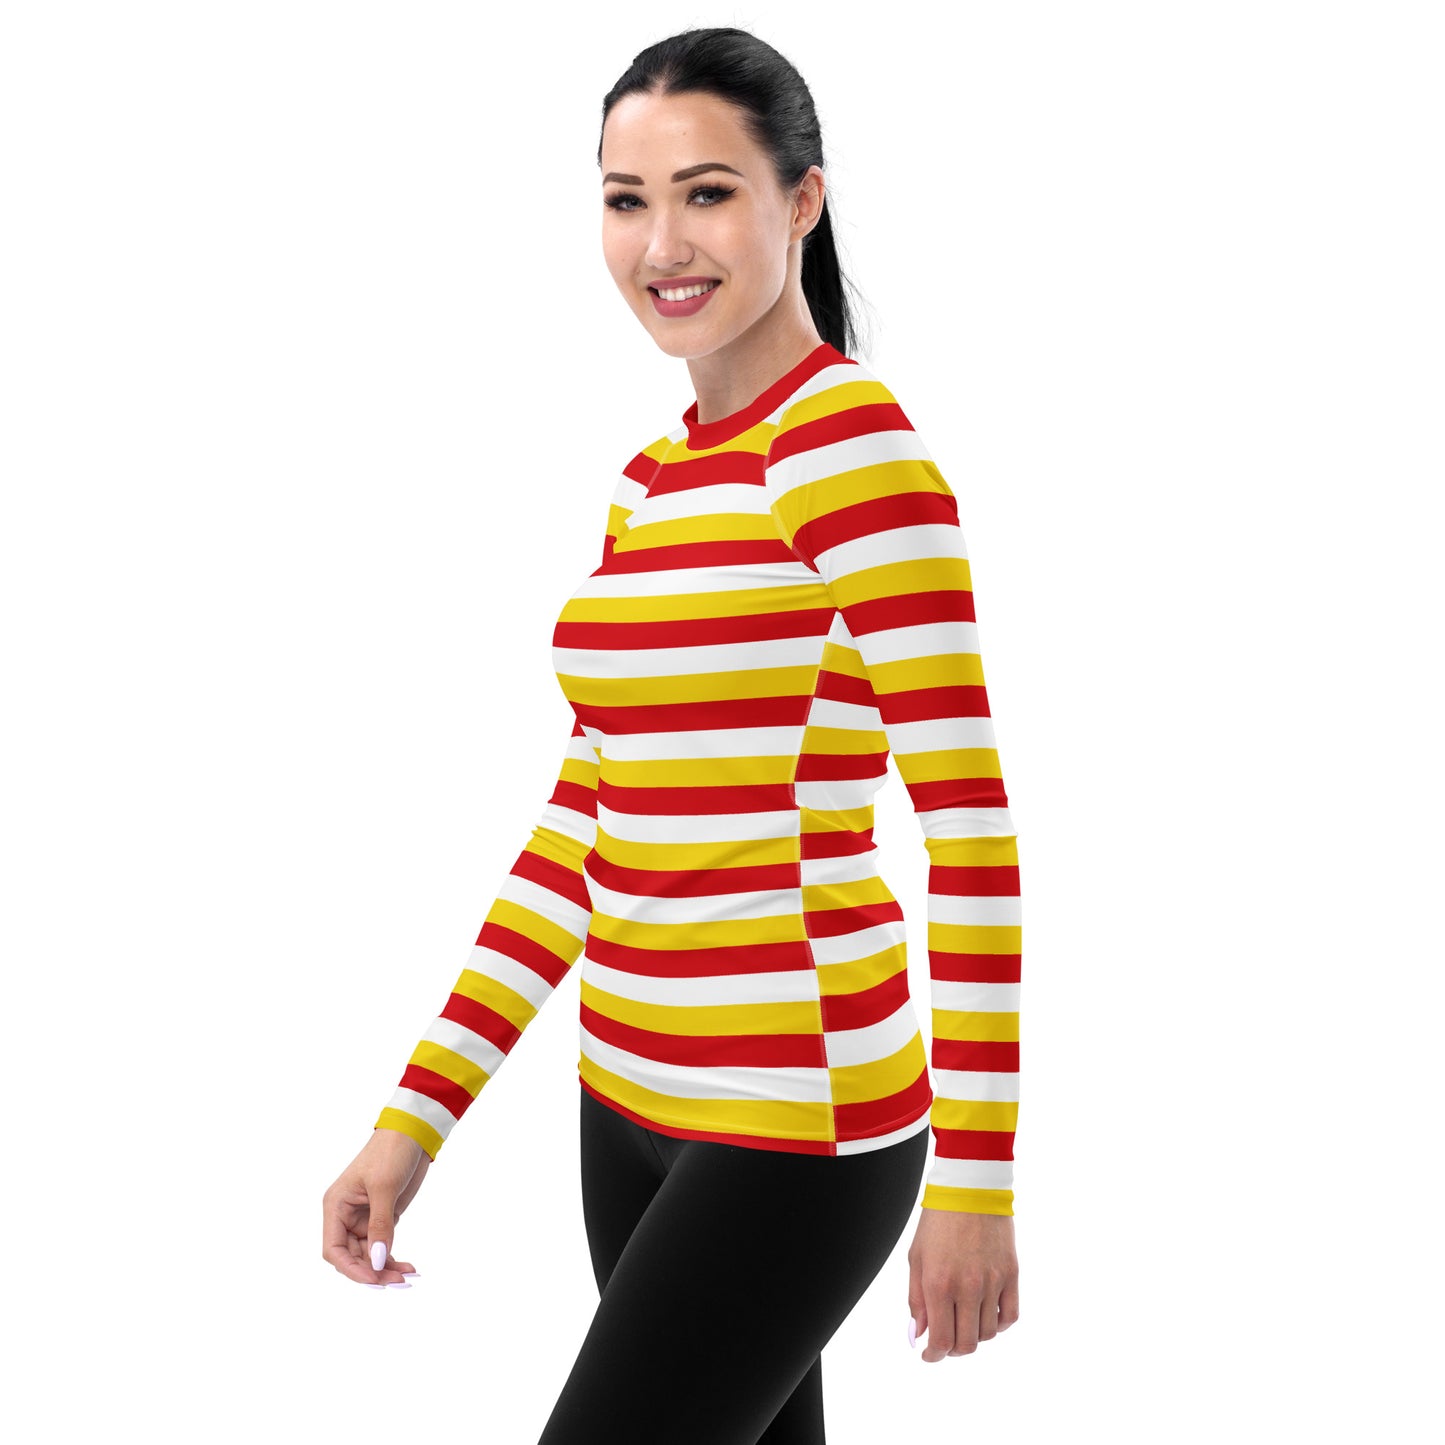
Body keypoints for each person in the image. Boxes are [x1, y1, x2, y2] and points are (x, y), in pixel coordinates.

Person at [322, 25, 1022, 1444]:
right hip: (622, 1096)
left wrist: (976, 1182)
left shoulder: (856, 455)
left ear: (801, 201)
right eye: (625, 199)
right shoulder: (648, 483)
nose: (662, 245)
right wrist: (417, 1114)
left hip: (797, 1118)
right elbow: (580, 827)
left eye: (707, 192)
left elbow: (969, 833)